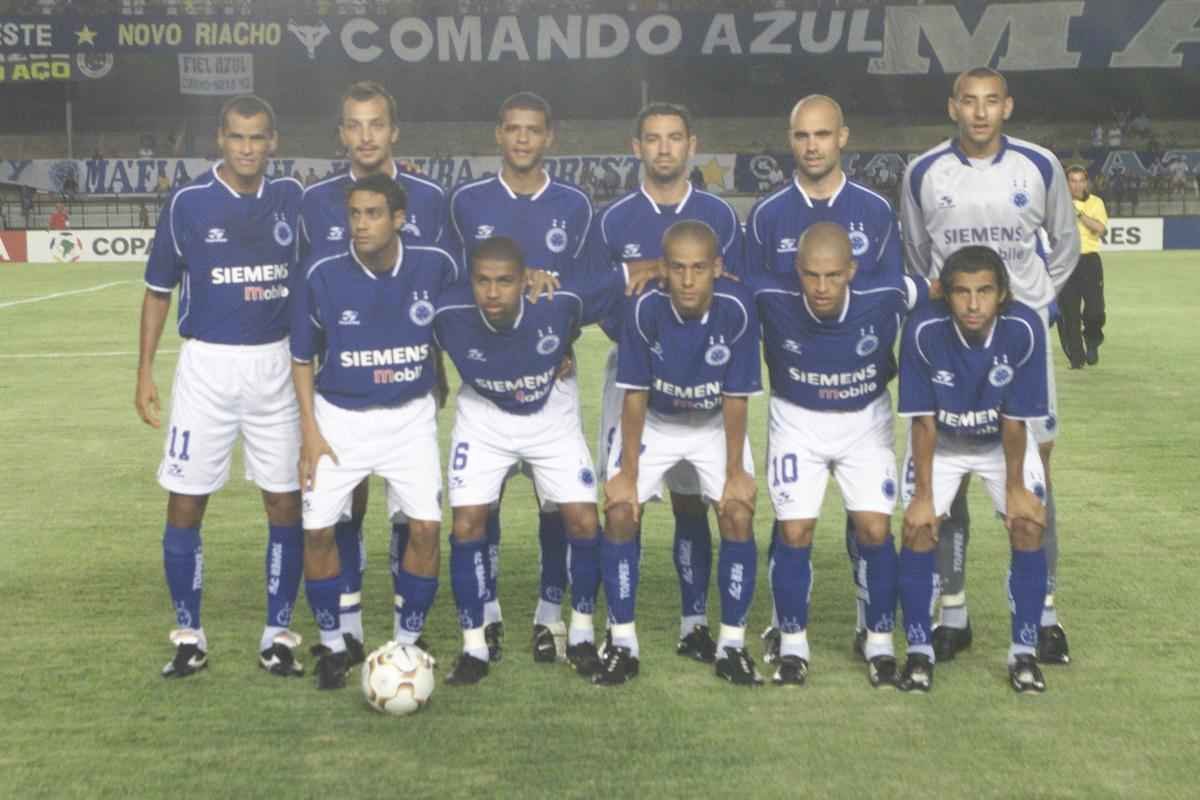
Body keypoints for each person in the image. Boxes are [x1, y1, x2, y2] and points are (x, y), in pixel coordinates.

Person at [900, 67, 1078, 666]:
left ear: (1008, 106)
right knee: (947, 467)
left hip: (1019, 345)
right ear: (953, 107)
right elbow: (918, 253)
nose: (980, 113)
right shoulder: (924, 172)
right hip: (954, 339)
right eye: (969, 102)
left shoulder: (1040, 165)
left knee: (1034, 475)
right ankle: (953, 611)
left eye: (991, 102)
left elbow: (1064, 243)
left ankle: (1044, 612)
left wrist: (1032, 310)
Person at [135, 95, 307, 679]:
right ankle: (188, 635)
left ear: (273, 142)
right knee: (186, 501)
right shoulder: (187, 203)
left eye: (258, 138)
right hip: (205, 368)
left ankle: (278, 635)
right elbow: (158, 290)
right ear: (220, 139)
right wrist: (143, 372)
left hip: (277, 368)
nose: (248, 148)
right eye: (237, 137)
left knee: (285, 502)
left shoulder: (294, 201)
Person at [433, 237, 646, 685]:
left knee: (585, 521)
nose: (493, 293)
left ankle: (583, 634)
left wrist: (673, 264)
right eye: (483, 282)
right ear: (469, 281)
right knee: (467, 523)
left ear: (524, 278)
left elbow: (629, 275)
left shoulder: (559, 298)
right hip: (483, 419)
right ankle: (474, 646)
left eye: (505, 282)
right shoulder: (446, 310)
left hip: (549, 416)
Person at [746, 94, 904, 664]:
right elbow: (750, 307)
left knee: (874, 529)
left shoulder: (877, 211)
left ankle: (877, 632)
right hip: (796, 405)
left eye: (822, 135)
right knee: (794, 528)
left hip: (866, 404)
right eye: (801, 136)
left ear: (843, 137)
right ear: (791, 141)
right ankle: (788, 635)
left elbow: (895, 303)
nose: (811, 146)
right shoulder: (767, 216)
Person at [587, 101, 745, 666]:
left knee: (691, 504)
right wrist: (640, 286)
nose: (662, 148)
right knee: (623, 503)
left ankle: (694, 623)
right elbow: (595, 298)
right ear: (636, 148)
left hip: (707, 377)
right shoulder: (611, 220)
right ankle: (618, 634)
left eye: (673, 138)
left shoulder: (720, 217)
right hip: (633, 375)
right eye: (651, 138)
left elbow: (736, 293)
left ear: (691, 144)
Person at [299, 80, 449, 661]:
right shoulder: (316, 202)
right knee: (345, 506)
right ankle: (347, 621)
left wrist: (436, 365)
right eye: (354, 125)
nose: (366, 136)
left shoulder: (432, 199)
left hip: (409, 386)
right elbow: (310, 303)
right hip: (341, 389)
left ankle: (405, 629)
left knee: (413, 513)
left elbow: (441, 294)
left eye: (376, 124)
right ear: (341, 135)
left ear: (394, 130)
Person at [447, 92, 594, 664]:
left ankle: (552, 619)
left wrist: (562, 344)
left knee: (559, 507)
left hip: (552, 383)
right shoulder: (468, 202)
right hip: (486, 385)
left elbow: (582, 292)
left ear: (549, 136)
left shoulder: (576, 205)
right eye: (513, 129)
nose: (523, 139)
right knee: (478, 508)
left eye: (533, 130)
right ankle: (484, 618)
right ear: (498, 136)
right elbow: (451, 287)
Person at [750, 222, 929, 687]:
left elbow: (945, 289)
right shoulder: (769, 293)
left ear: (852, 269)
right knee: (794, 531)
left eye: (833, 275)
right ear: (797, 270)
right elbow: (708, 281)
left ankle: (880, 643)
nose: (822, 287)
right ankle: (792, 646)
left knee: (874, 528)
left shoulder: (889, 291)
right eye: (811, 275)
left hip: (864, 423)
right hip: (796, 421)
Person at [599, 220, 762, 687]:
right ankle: (622, 643)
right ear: (662, 270)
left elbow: (736, 397)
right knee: (620, 512)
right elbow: (634, 394)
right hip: (657, 420)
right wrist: (627, 473)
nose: (688, 281)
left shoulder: (739, 308)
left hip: (712, 421)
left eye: (698, 269)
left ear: (717, 268)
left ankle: (731, 644)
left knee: (736, 511)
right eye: (677, 269)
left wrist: (734, 472)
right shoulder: (643, 308)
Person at [897, 245, 1051, 694]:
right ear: (945, 294)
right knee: (919, 529)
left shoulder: (1024, 329)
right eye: (961, 292)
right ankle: (920, 652)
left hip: (1000, 445)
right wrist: (924, 496)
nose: (972, 303)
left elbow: (1015, 419)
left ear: (1002, 294)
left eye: (984, 291)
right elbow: (923, 421)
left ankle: (1023, 652)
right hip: (941, 443)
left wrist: (1017, 487)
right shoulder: (923, 329)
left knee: (1027, 523)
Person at [1057, 166, 1108, 369]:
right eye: (1072, 180)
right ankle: (1077, 360)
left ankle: (1093, 338)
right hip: (1065, 261)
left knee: (1095, 310)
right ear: (1066, 183)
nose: (1077, 185)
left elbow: (1101, 229)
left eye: (1080, 180)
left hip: (1089, 260)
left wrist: (1078, 214)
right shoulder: (1056, 204)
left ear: (1086, 182)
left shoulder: (1095, 202)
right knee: (1069, 313)